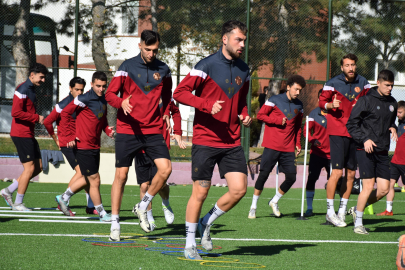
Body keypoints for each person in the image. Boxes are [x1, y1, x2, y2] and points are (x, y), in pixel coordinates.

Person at [174, 20, 251, 260]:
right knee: (201, 191)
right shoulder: (205, 65)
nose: (242, 45)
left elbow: (242, 100)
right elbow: (180, 93)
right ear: (224, 39)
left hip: (231, 141)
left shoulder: (244, 69)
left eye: (244, 41)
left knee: (239, 189)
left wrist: (245, 115)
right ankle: (189, 245)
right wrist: (207, 104)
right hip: (206, 139)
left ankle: (206, 222)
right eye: (238, 40)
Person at [105, 30, 172, 240]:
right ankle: (115, 224)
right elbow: (109, 94)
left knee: (166, 169)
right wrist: (120, 102)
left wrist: (167, 114)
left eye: (155, 50)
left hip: (152, 130)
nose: (151, 54)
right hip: (127, 130)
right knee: (121, 176)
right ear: (140, 45)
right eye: (147, 49)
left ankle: (142, 206)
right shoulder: (126, 67)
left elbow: (168, 96)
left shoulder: (164, 69)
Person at [318, 53, 371, 227]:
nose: (350, 68)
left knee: (350, 174)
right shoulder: (332, 83)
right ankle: (329, 212)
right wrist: (329, 105)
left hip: (355, 134)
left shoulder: (363, 83)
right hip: (338, 132)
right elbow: (321, 103)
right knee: (337, 173)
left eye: (353, 65)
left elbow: (370, 103)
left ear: (356, 66)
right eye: (347, 65)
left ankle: (341, 212)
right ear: (342, 67)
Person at [54, 71, 115, 221]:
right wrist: (69, 136)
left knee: (88, 178)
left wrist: (107, 130)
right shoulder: (83, 98)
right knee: (94, 179)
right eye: (98, 86)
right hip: (83, 146)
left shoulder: (103, 100)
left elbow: (102, 120)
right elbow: (65, 113)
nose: (101, 89)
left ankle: (63, 197)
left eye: (103, 86)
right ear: (92, 84)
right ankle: (101, 213)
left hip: (95, 145)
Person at [346, 69, 397, 234]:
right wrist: (364, 139)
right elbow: (352, 124)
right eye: (387, 85)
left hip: (382, 150)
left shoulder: (393, 103)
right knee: (368, 186)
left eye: (392, 85)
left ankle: (357, 209)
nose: (390, 88)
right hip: (365, 149)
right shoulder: (365, 100)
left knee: (383, 189)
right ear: (379, 82)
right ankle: (358, 224)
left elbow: (390, 122)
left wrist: (394, 128)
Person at [248, 75, 305, 219]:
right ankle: (253, 207)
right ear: (288, 87)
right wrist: (277, 120)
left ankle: (274, 201)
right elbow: (260, 116)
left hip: (288, 149)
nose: (298, 93)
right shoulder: (274, 100)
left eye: (300, 90)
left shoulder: (300, 105)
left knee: (291, 177)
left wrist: (298, 143)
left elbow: (298, 127)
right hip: (272, 146)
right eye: (296, 89)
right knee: (263, 175)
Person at [43, 77, 97, 215]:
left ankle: (90, 206)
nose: (79, 92)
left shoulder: (80, 103)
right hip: (68, 144)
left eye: (81, 90)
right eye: (76, 89)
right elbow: (48, 121)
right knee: (83, 173)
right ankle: (63, 201)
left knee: (88, 173)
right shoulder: (63, 105)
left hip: (79, 144)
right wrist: (56, 139)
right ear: (70, 89)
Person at [0, 63, 47, 211]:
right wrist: (35, 117)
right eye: (41, 77)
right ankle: (18, 203)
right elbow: (15, 112)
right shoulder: (23, 89)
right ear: (32, 75)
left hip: (28, 133)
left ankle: (9, 190)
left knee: (39, 166)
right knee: (29, 168)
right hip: (21, 134)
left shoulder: (31, 89)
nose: (43, 80)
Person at [133, 99, 185, 231]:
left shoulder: (166, 99)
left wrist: (178, 131)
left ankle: (166, 203)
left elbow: (176, 112)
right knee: (144, 185)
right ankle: (148, 217)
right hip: (140, 146)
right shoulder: (139, 95)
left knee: (161, 183)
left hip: (159, 147)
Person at [304, 89, 331, 217]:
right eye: (321, 98)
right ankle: (309, 208)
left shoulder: (335, 114)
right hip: (317, 153)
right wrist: (312, 139)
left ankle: (333, 210)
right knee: (311, 179)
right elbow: (306, 132)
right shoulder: (313, 114)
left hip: (332, 155)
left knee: (334, 181)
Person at [376, 101, 405, 216]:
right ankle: (389, 210)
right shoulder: (398, 122)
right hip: (395, 161)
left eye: (400, 112)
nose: (397, 114)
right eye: (397, 112)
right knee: (389, 185)